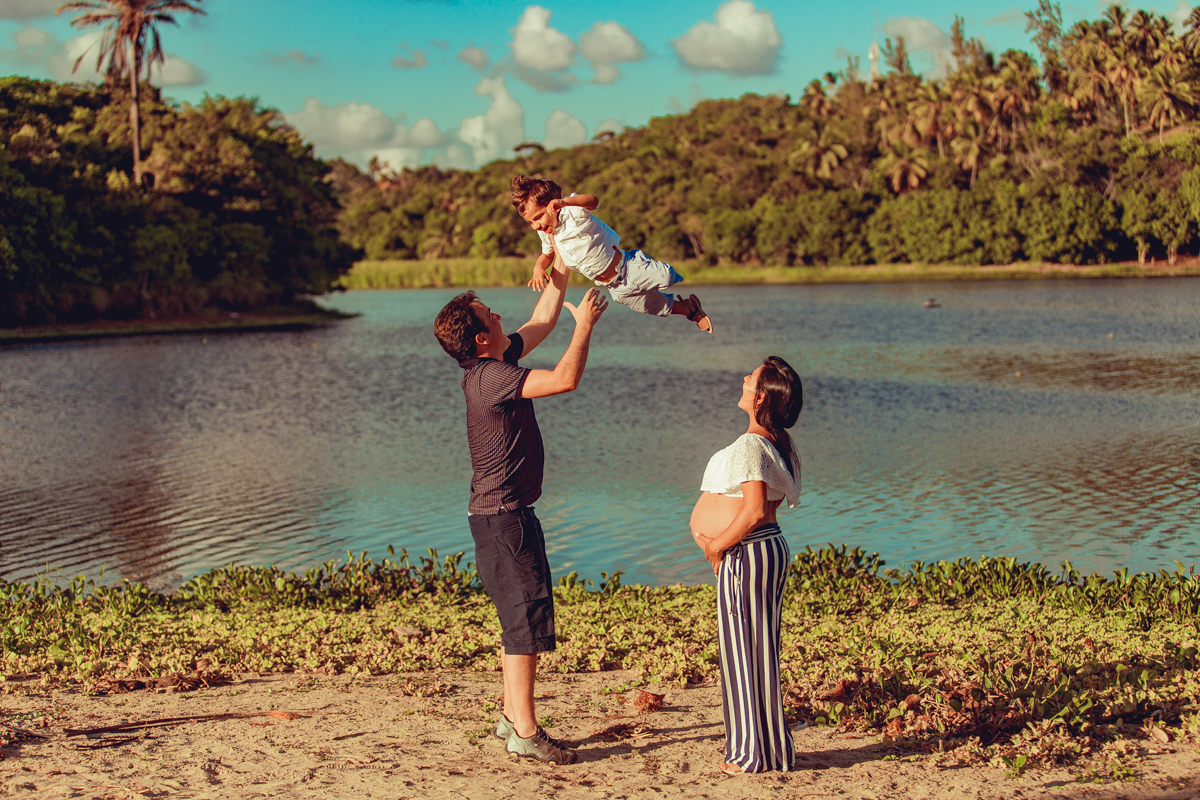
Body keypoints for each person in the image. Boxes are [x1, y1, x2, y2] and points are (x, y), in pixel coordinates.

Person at [432, 259, 608, 766]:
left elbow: (544, 317)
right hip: (502, 518)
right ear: (482, 339)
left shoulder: (490, 360)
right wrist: (588, 326)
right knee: (524, 624)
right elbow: (565, 378)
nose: (499, 315)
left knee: (521, 619)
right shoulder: (491, 379)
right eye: (490, 315)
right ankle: (526, 733)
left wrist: (559, 254)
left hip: (506, 516)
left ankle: (511, 719)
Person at [690, 356, 803, 774]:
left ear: (759, 397)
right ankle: (773, 750)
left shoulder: (750, 446)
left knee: (741, 653)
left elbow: (754, 510)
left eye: (750, 378)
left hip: (747, 550)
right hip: (763, 550)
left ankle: (747, 754)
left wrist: (717, 545)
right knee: (760, 651)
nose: (742, 378)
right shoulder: (773, 444)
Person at [509, 175, 713, 333]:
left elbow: (593, 201)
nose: (536, 225)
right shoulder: (546, 233)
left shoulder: (572, 211)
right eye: (530, 223)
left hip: (627, 267)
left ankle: (670, 280)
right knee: (653, 307)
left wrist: (565, 202)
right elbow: (547, 255)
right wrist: (538, 267)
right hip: (614, 287)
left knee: (665, 276)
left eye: (538, 217)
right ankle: (690, 310)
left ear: (552, 205)